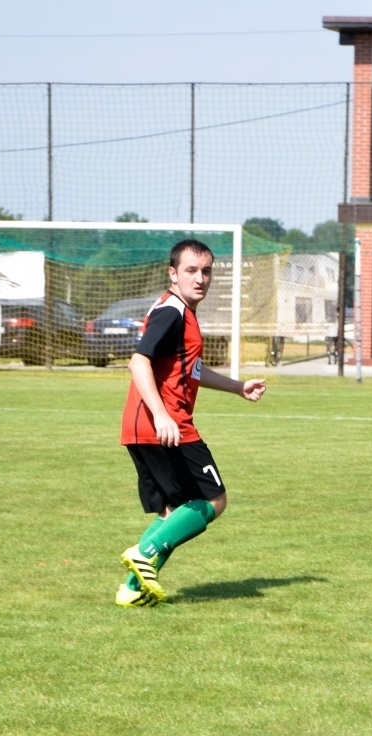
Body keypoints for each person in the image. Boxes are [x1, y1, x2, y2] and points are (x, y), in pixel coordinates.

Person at [116, 239, 267, 608]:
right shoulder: (173, 312)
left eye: (206, 271)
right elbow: (138, 362)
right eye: (191, 270)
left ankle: (131, 590)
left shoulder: (177, 310)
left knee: (174, 512)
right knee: (213, 500)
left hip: (141, 427)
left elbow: (190, 369)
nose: (200, 278)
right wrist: (163, 415)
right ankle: (144, 551)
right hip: (168, 426)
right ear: (173, 273)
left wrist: (237, 387)